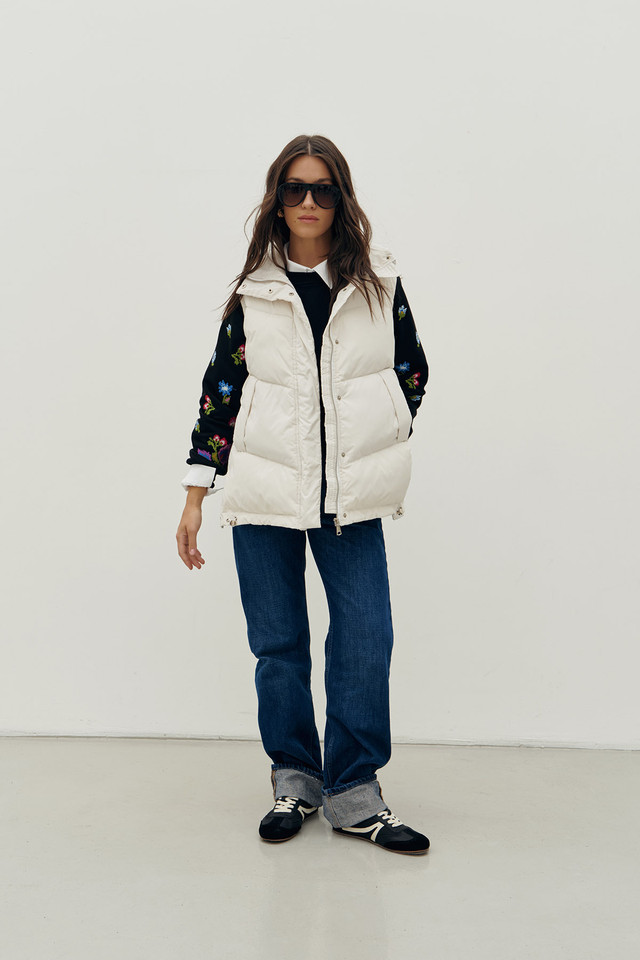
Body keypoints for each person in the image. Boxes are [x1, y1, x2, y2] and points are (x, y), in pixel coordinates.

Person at [176, 134, 430, 856]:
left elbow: (411, 370)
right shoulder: (253, 293)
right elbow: (221, 391)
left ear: (341, 199)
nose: (309, 201)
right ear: (278, 201)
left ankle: (355, 793)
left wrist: (373, 434)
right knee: (278, 645)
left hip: (350, 498)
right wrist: (196, 493)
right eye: (295, 189)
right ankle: (294, 780)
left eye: (323, 189)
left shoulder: (379, 286)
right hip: (263, 493)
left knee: (365, 637)